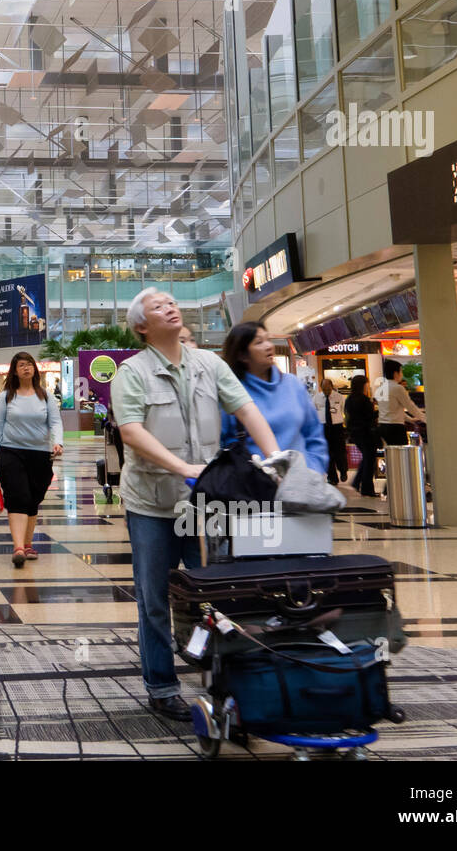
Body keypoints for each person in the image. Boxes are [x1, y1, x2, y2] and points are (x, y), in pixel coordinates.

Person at [111, 290, 279, 721]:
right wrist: (181, 465)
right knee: (153, 598)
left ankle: (225, 679)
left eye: (171, 300)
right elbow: (130, 431)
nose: (169, 306)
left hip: (205, 501)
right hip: (150, 502)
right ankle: (161, 686)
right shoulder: (132, 372)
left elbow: (245, 408)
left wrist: (275, 456)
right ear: (142, 327)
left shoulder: (209, 364)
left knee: (220, 592)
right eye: (157, 306)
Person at [0, 352, 63, 567]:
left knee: (33, 499)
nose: (26, 368)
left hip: (40, 455)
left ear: (34, 369)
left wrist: (58, 442)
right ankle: (18, 547)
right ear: (15, 371)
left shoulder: (45, 396)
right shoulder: (6, 396)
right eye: (21, 365)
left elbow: (55, 422)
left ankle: (27, 543)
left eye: (29, 365)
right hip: (11, 453)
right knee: (18, 496)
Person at [219, 322, 329, 474]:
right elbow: (224, 443)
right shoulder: (233, 393)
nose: (269, 346)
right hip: (254, 489)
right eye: (259, 342)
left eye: (268, 339)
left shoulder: (293, 384)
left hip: (302, 485)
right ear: (242, 355)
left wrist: (314, 468)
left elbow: (314, 434)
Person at [374, 359, 425, 448]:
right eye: (401, 371)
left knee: (390, 455)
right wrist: (424, 418)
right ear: (395, 373)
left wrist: (410, 419)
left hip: (382, 427)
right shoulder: (398, 388)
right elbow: (410, 406)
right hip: (395, 428)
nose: (402, 374)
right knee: (401, 455)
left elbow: (392, 409)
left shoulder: (380, 388)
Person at [346, 374, 380, 496]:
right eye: (367, 384)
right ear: (363, 385)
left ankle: (357, 482)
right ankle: (366, 488)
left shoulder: (349, 399)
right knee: (369, 460)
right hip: (366, 433)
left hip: (355, 433)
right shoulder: (364, 400)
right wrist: (378, 411)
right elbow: (369, 417)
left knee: (367, 458)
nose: (368, 386)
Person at [313, 377, 349, 485]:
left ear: (331, 387)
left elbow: (344, 411)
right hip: (323, 427)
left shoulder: (339, 397)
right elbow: (313, 412)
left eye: (328, 389)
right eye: (324, 390)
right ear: (321, 388)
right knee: (327, 453)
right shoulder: (316, 398)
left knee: (340, 451)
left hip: (337, 427)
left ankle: (343, 471)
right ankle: (332, 477)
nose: (326, 392)